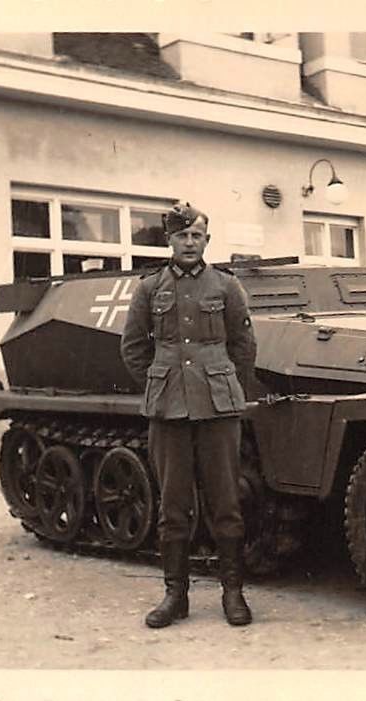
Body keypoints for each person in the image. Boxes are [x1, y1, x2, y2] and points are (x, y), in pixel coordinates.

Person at [120, 202, 257, 628]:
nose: (190, 243)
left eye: (197, 236)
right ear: (170, 240)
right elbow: (133, 349)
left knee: (226, 503)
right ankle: (174, 596)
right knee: (173, 505)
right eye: (182, 236)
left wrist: (226, 385)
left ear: (207, 240)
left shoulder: (227, 287)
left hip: (218, 409)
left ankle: (233, 594)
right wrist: (163, 383)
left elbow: (243, 347)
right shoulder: (148, 289)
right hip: (168, 410)